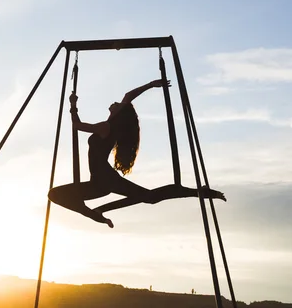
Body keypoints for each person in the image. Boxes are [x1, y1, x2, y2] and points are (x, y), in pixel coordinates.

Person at [47, 79, 226, 228]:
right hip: (98, 183)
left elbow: (77, 126)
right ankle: (96, 214)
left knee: (149, 197)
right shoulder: (111, 127)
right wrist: (151, 85)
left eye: (117, 105)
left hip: (105, 180)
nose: (115, 102)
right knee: (55, 195)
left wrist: (73, 105)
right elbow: (128, 96)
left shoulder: (106, 127)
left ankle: (199, 192)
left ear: (119, 114)